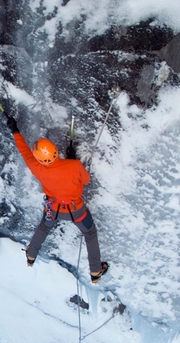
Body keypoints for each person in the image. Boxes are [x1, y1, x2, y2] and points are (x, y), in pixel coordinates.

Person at [6, 116, 108, 284]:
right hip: (77, 211)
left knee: (44, 227)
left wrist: (15, 131)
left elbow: (24, 152)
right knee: (89, 234)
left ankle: (31, 255)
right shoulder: (74, 166)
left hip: (53, 210)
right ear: (55, 151)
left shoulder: (38, 168)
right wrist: (72, 161)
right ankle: (95, 271)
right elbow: (86, 180)